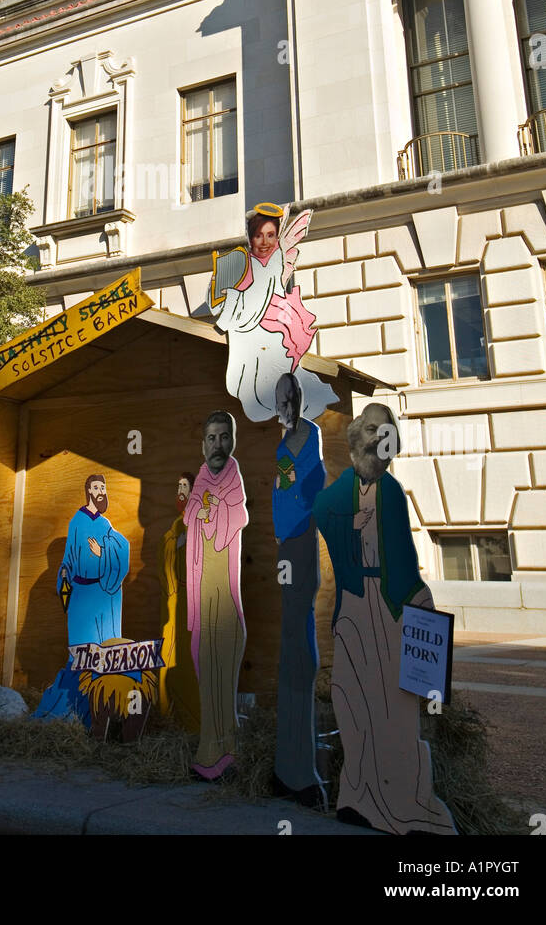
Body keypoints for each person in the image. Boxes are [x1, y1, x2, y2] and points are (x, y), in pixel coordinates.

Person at [312, 403, 457, 835]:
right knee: (352, 699)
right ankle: (357, 796)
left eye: (385, 431)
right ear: (358, 437)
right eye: (371, 429)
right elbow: (321, 510)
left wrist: (420, 598)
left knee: (393, 706)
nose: (378, 439)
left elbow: (403, 558)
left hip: (391, 606)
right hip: (355, 606)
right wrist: (351, 522)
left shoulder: (391, 492)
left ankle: (402, 802)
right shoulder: (344, 490)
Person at [208, 203, 337, 424]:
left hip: (273, 328)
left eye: (271, 235)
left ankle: (287, 405)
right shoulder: (241, 263)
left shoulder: (275, 261)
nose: (265, 242)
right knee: (248, 381)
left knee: (280, 369)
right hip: (246, 332)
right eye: (259, 236)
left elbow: (273, 291)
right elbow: (223, 307)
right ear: (250, 238)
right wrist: (231, 296)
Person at [183, 412, 248, 780]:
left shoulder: (233, 479)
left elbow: (236, 517)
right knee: (206, 672)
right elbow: (191, 515)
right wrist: (201, 509)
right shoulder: (203, 478)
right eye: (211, 438)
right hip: (203, 597)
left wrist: (214, 511)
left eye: (224, 437)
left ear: (232, 440)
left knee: (222, 671)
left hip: (223, 597)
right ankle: (211, 748)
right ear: (203, 444)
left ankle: (226, 749)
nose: (218, 445)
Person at [272, 373, 327, 809]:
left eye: (286, 398)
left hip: (300, 538)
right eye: (279, 400)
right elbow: (282, 489)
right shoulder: (285, 441)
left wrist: (292, 516)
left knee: (299, 640)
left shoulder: (309, 436)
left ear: (296, 399)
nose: (283, 406)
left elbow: (309, 485)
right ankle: (288, 766)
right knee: (290, 637)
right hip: (286, 543)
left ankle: (299, 769)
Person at [35, 475, 130, 722]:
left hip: (103, 596)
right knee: (81, 652)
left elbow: (122, 547)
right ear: (88, 491)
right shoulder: (77, 522)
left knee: (106, 651)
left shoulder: (106, 524)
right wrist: (65, 572)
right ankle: (78, 710)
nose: (100, 492)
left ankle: (103, 711)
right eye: (96, 487)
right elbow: (69, 556)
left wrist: (104, 551)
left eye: (103, 488)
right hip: (82, 594)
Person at [157, 472, 200, 731]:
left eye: (185, 486)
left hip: (192, 605)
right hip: (173, 606)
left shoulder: (201, 524)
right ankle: (166, 715)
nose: (181, 491)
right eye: (178, 487)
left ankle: (193, 721)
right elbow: (164, 560)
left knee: (188, 663)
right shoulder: (173, 531)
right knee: (168, 657)